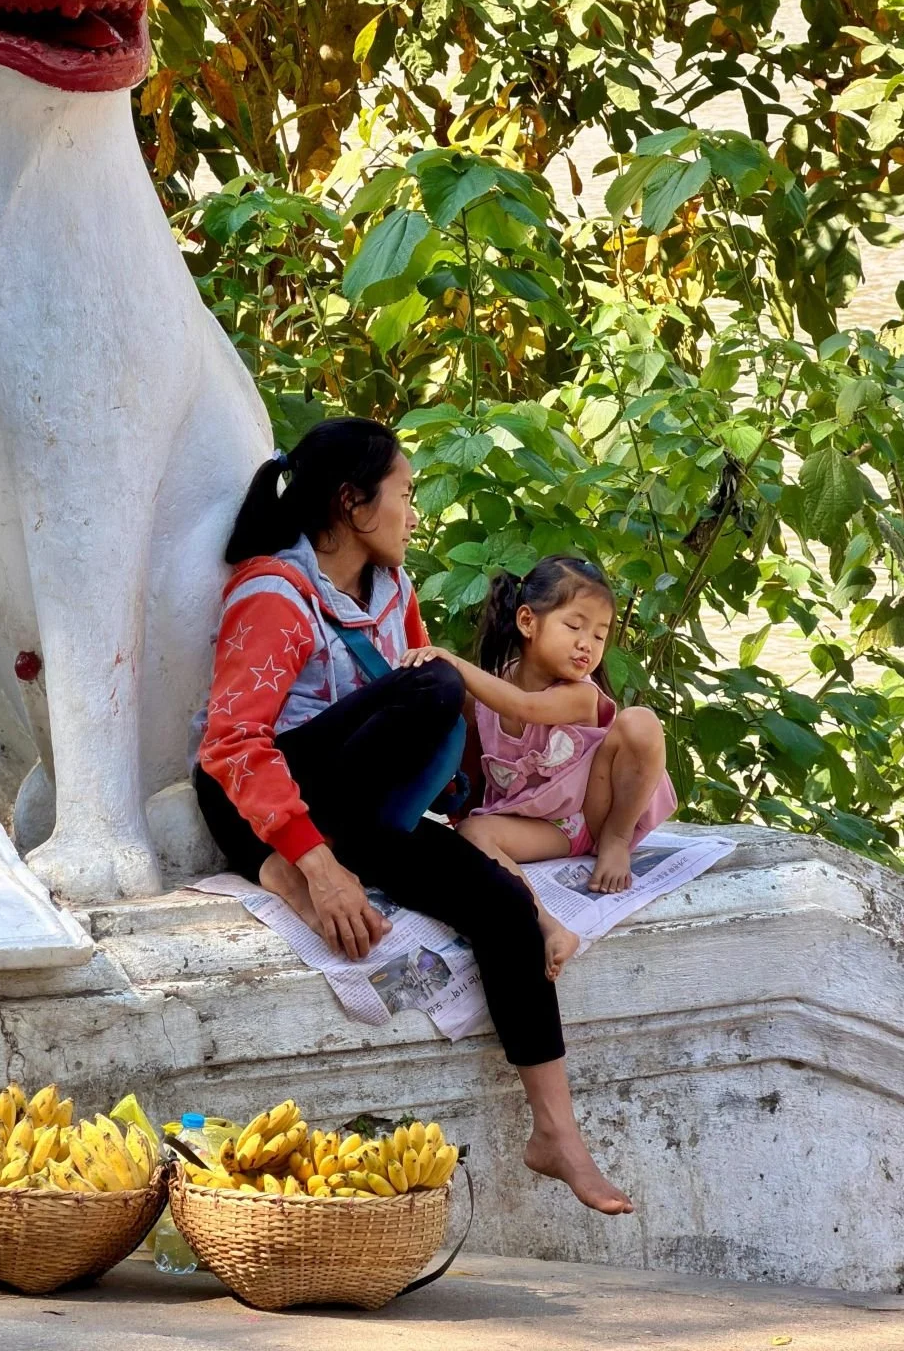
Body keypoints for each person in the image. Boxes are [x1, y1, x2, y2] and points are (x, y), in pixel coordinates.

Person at [193, 420, 634, 1215]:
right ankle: (288, 867)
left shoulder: (394, 593)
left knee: (501, 909)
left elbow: (428, 742)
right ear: (353, 505)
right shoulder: (274, 596)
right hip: (262, 805)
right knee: (434, 684)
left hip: (359, 813)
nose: (415, 512)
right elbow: (232, 745)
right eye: (405, 493)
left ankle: (556, 1134)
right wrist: (317, 866)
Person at [403, 556, 676, 975]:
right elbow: (471, 767)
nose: (588, 644)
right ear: (528, 622)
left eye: (600, 635)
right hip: (545, 829)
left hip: (590, 811)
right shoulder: (488, 695)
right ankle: (548, 925)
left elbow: (527, 707)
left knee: (641, 722)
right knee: (473, 831)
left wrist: (453, 664)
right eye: (575, 626)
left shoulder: (578, 695)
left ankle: (616, 842)